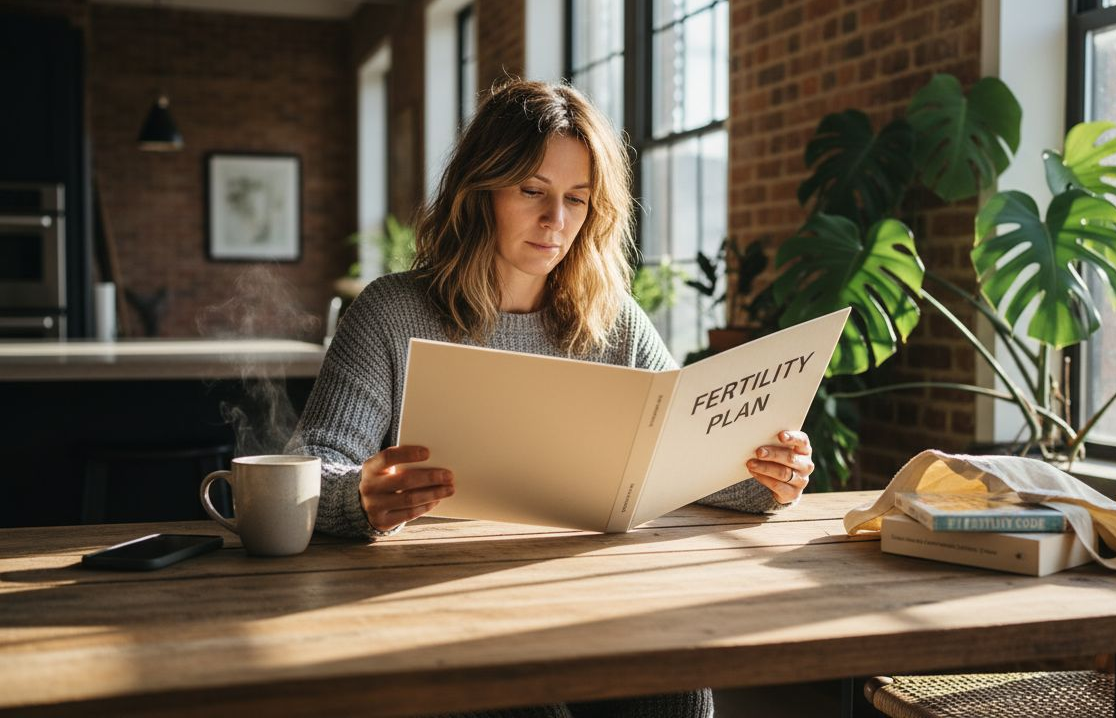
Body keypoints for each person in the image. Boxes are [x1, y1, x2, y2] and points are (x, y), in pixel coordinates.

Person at [286, 79, 815, 717]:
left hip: (595, 594)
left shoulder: (612, 319)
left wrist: (764, 474)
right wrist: (361, 498)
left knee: (676, 687)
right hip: (443, 607)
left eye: (576, 200)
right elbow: (311, 467)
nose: (555, 221)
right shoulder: (393, 312)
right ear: (479, 191)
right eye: (532, 191)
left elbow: (676, 460)